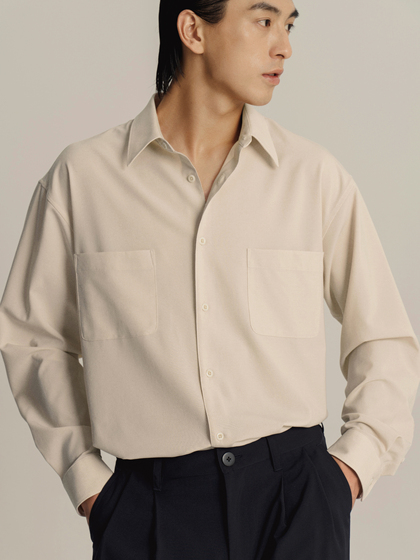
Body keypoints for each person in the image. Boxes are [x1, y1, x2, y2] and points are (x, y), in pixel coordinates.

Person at [1, 1, 419, 558]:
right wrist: (90, 484)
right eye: (264, 21)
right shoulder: (83, 181)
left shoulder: (313, 178)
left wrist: (349, 471)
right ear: (193, 30)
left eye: (289, 25)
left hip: (296, 501)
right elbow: (34, 338)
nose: (284, 47)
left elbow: (384, 336)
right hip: (149, 511)